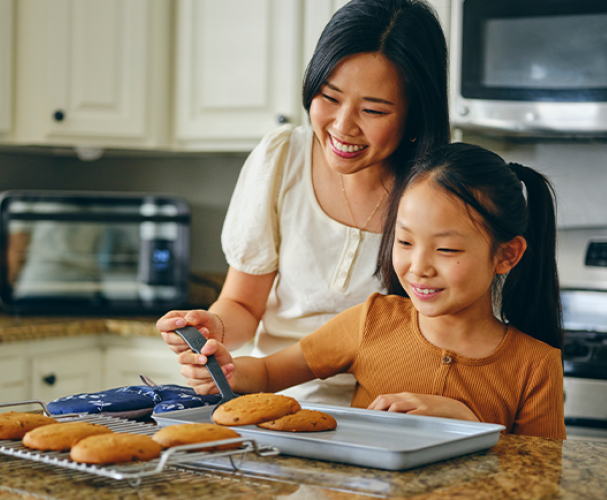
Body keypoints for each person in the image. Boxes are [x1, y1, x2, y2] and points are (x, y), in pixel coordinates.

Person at [157, 0, 450, 405]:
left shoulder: (442, 190)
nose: (343, 126)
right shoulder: (282, 158)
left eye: (372, 110)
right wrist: (214, 327)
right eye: (329, 98)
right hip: (272, 396)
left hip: (388, 412)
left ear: (415, 116)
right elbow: (243, 303)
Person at [176, 143, 566, 439]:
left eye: (447, 249)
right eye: (405, 242)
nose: (419, 267)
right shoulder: (372, 321)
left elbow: (543, 479)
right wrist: (221, 371)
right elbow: (265, 373)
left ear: (507, 255)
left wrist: (471, 426)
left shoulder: (535, 365)